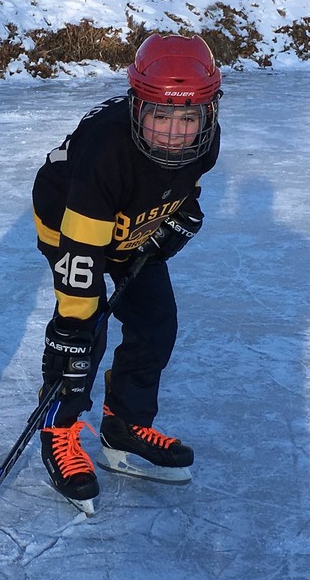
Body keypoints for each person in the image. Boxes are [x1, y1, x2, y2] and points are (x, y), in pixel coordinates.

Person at [30, 33, 223, 514]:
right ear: (138, 107)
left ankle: (124, 424)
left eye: (188, 118)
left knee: (156, 321)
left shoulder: (205, 139)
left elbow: (185, 182)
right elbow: (80, 258)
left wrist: (186, 212)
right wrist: (72, 326)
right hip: (71, 223)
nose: (175, 132)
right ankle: (59, 429)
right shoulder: (105, 153)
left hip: (133, 223)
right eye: (161, 115)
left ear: (208, 113)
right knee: (81, 335)